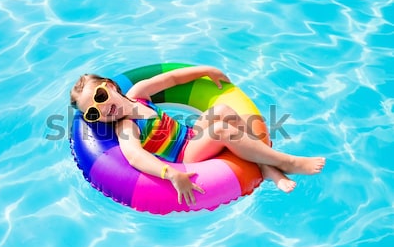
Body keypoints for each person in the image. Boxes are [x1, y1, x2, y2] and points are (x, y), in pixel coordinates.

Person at [70, 65, 325, 205]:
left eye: (100, 97)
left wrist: (206, 71)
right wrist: (171, 173)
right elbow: (135, 157)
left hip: (190, 135)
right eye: (93, 113)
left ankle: (264, 166)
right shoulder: (125, 126)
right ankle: (285, 162)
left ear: (111, 86)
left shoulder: (139, 93)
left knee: (223, 109)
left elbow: (170, 79)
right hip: (185, 154)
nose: (102, 108)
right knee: (222, 130)